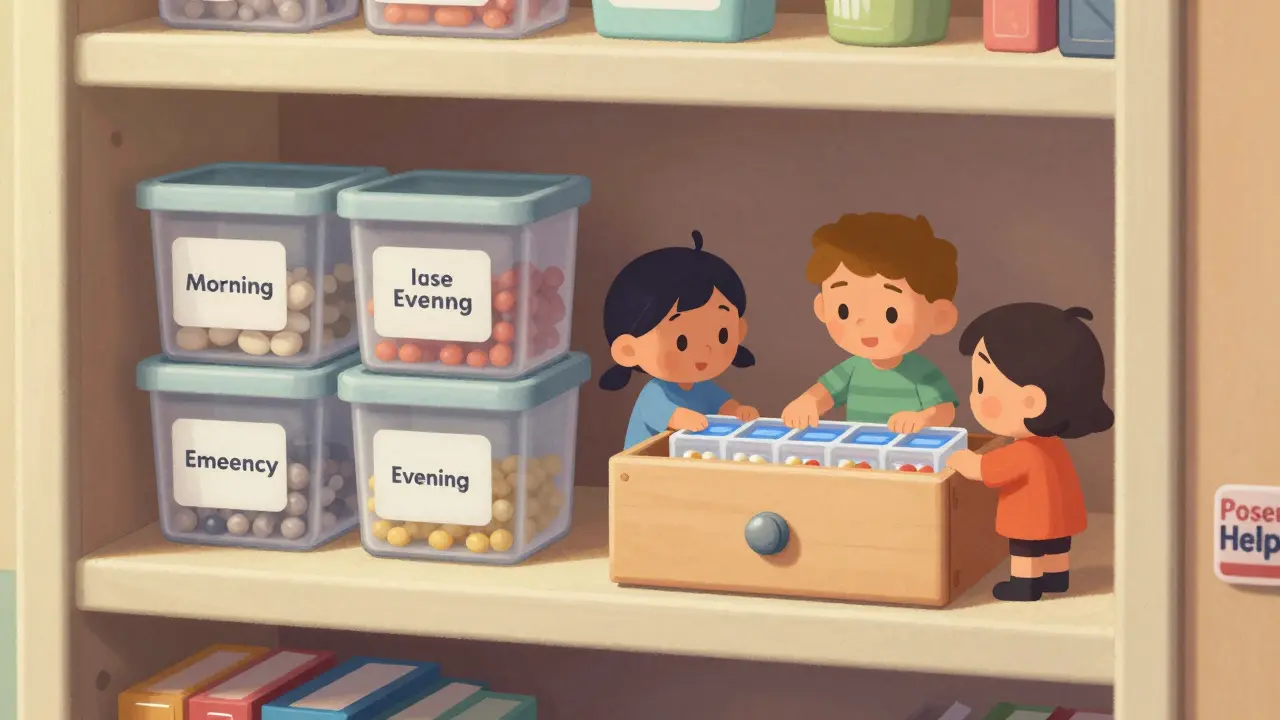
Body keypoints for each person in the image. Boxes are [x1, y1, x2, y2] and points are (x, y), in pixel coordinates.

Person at [945, 303, 1114, 602]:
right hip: (1060, 515)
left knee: (1026, 549)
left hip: (1032, 519)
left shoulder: (1025, 452)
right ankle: (1056, 577)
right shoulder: (1050, 445)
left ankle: (1025, 584)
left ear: (1030, 401)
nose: (974, 395)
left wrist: (961, 459)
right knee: (1057, 546)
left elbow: (985, 470)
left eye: (982, 385)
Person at [781, 212, 960, 432]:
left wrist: (923, 419)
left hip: (910, 456)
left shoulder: (921, 372)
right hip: (860, 455)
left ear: (939, 317)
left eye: (891, 314)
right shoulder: (853, 368)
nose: (865, 324)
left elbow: (945, 410)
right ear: (823, 308)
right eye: (844, 310)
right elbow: (823, 393)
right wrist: (806, 404)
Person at [601, 231, 761, 450]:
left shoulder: (703, 387)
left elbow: (723, 404)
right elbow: (667, 416)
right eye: (682, 342)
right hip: (646, 468)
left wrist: (737, 411)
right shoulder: (654, 393)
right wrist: (681, 418)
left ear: (739, 330)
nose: (705, 350)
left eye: (721, 335)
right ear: (629, 350)